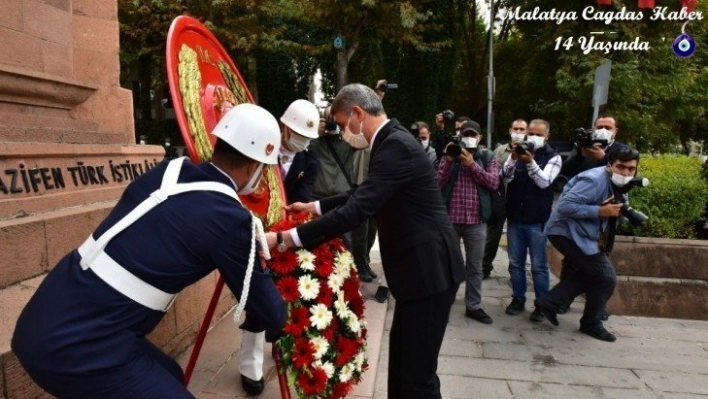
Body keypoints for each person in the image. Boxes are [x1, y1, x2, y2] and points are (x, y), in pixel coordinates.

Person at [11, 104, 287, 398]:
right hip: (81, 344)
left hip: (47, 313)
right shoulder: (232, 220)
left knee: (170, 375)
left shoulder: (168, 171)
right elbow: (271, 313)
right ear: (253, 167)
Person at [268, 83, 464, 398]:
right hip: (419, 273)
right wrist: (314, 207)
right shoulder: (390, 142)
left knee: (417, 376)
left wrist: (286, 238)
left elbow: (358, 210)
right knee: (401, 366)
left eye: (344, 125)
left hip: (430, 271)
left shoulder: (395, 145)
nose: (345, 133)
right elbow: (363, 192)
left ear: (358, 114)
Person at [238, 99, 320, 395]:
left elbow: (302, 198)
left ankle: (288, 352)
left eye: (306, 139)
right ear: (283, 126)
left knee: (282, 299)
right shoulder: (260, 145)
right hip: (248, 229)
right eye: (297, 134)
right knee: (256, 301)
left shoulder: (309, 161)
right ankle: (250, 366)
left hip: (283, 237)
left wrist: (286, 234)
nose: (301, 142)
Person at [539, 146, 641, 342]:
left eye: (631, 169)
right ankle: (590, 322)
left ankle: (552, 302)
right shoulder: (593, 180)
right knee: (606, 277)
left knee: (594, 273)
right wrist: (599, 212)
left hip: (586, 235)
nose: (626, 173)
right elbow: (565, 206)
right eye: (621, 167)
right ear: (610, 165)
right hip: (565, 232)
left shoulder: (622, 184)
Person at [557, 114, 631, 315]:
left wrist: (604, 159)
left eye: (608, 126)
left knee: (601, 263)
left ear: (616, 130)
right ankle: (563, 301)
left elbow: (627, 176)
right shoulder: (585, 145)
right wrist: (582, 153)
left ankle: (597, 306)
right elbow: (566, 169)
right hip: (582, 215)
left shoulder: (621, 150)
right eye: (600, 126)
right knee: (572, 261)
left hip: (607, 217)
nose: (603, 129)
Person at [438, 120, 500, 325]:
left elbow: (493, 183)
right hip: (451, 220)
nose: (469, 138)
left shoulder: (488, 157)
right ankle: (444, 301)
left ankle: (473, 305)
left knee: (475, 266)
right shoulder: (452, 155)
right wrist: (448, 158)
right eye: (465, 134)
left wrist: (472, 164)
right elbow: (437, 183)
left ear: (479, 137)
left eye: (473, 134)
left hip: (476, 221)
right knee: (448, 264)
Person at [501, 119, 561, 322]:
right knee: (515, 263)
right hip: (516, 217)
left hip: (537, 220)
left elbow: (544, 182)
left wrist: (530, 162)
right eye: (531, 133)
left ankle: (542, 304)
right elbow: (504, 178)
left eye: (539, 134)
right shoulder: (519, 152)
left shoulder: (553, 157)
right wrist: (513, 158)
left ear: (547, 136)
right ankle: (518, 298)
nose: (534, 137)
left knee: (538, 265)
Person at [482, 118, 527, 279]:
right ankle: (484, 266)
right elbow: (491, 175)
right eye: (516, 129)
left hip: (519, 201)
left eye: (522, 129)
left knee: (516, 238)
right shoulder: (500, 151)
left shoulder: (529, 151)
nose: (519, 133)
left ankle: (515, 270)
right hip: (499, 199)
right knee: (492, 236)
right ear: (510, 130)